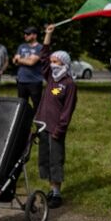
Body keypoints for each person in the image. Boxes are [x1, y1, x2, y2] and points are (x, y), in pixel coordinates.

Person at [33, 24, 77, 209]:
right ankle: (50, 188)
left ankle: (57, 192)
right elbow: (43, 56)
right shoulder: (51, 77)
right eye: (52, 62)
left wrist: (60, 128)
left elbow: (68, 109)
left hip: (55, 128)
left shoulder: (69, 84)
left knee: (56, 159)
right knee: (45, 158)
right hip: (42, 125)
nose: (52, 64)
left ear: (64, 64)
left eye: (56, 62)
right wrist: (47, 35)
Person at [12, 25, 43, 111]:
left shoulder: (40, 48)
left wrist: (20, 60)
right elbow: (14, 61)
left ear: (34, 35)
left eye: (28, 34)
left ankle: (38, 122)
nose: (25, 35)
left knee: (36, 103)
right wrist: (25, 59)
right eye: (25, 34)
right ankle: (23, 122)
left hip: (34, 81)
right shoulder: (22, 46)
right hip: (21, 80)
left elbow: (31, 62)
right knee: (21, 104)